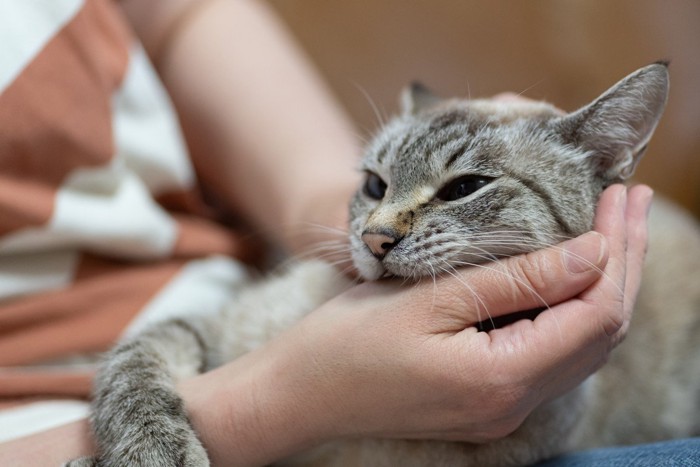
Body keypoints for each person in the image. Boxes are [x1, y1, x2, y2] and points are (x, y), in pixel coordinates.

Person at [0, 0, 669, 465]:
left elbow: (179, 17)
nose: (380, 228)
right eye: (375, 187)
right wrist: (278, 400)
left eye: (463, 188)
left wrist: (325, 202)